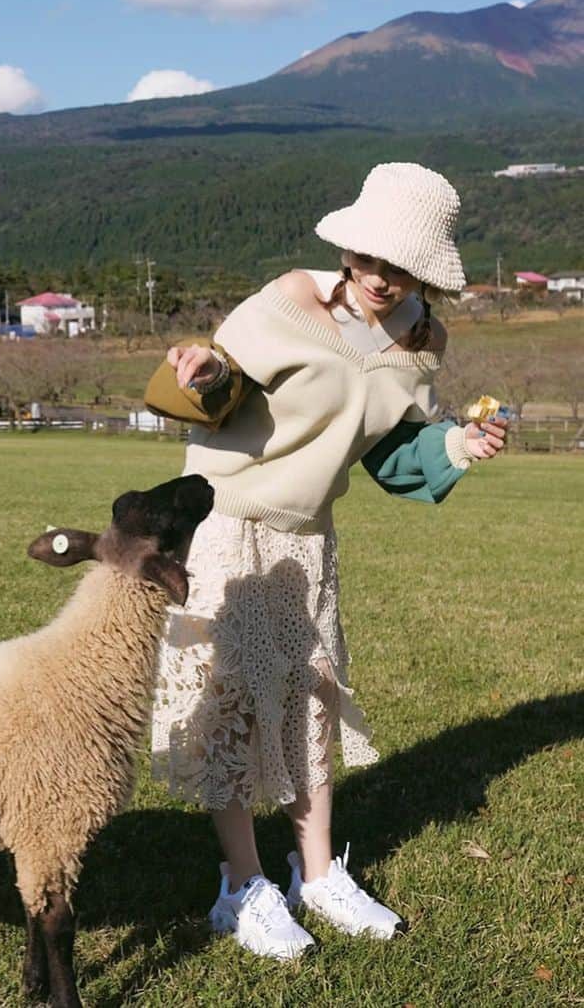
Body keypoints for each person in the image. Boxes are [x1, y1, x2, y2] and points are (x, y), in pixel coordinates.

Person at [148, 162, 507, 961]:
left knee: (311, 699)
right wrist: (204, 373)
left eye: (401, 265)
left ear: (426, 272)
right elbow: (218, 381)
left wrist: (460, 443)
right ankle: (240, 888)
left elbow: (395, 447)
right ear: (349, 247)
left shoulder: (421, 339)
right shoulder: (288, 300)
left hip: (309, 536)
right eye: (370, 257)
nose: (381, 277)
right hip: (227, 522)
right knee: (231, 701)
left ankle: (318, 875)